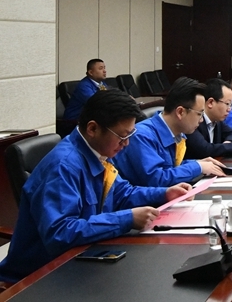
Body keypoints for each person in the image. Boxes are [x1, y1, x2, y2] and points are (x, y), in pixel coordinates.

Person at [0, 90, 192, 285]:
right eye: (122, 136)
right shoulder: (63, 166)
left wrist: (164, 193)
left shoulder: (99, 153)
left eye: (130, 135)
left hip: (84, 257)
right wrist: (126, 219)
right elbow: (60, 233)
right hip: (39, 276)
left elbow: (122, 193)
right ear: (93, 128)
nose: (126, 144)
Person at [113, 77, 227, 187]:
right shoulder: (142, 136)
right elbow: (156, 179)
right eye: (200, 114)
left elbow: (170, 167)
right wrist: (198, 167)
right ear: (180, 112)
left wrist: (197, 163)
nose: (201, 120)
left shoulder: (177, 134)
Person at [185, 78, 232, 159]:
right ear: (211, 102)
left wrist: (228, 144)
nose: (229, 109)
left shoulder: (217, 121)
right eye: (227, 104)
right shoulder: (194, 121)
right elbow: (205, 149)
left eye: (231, 105)